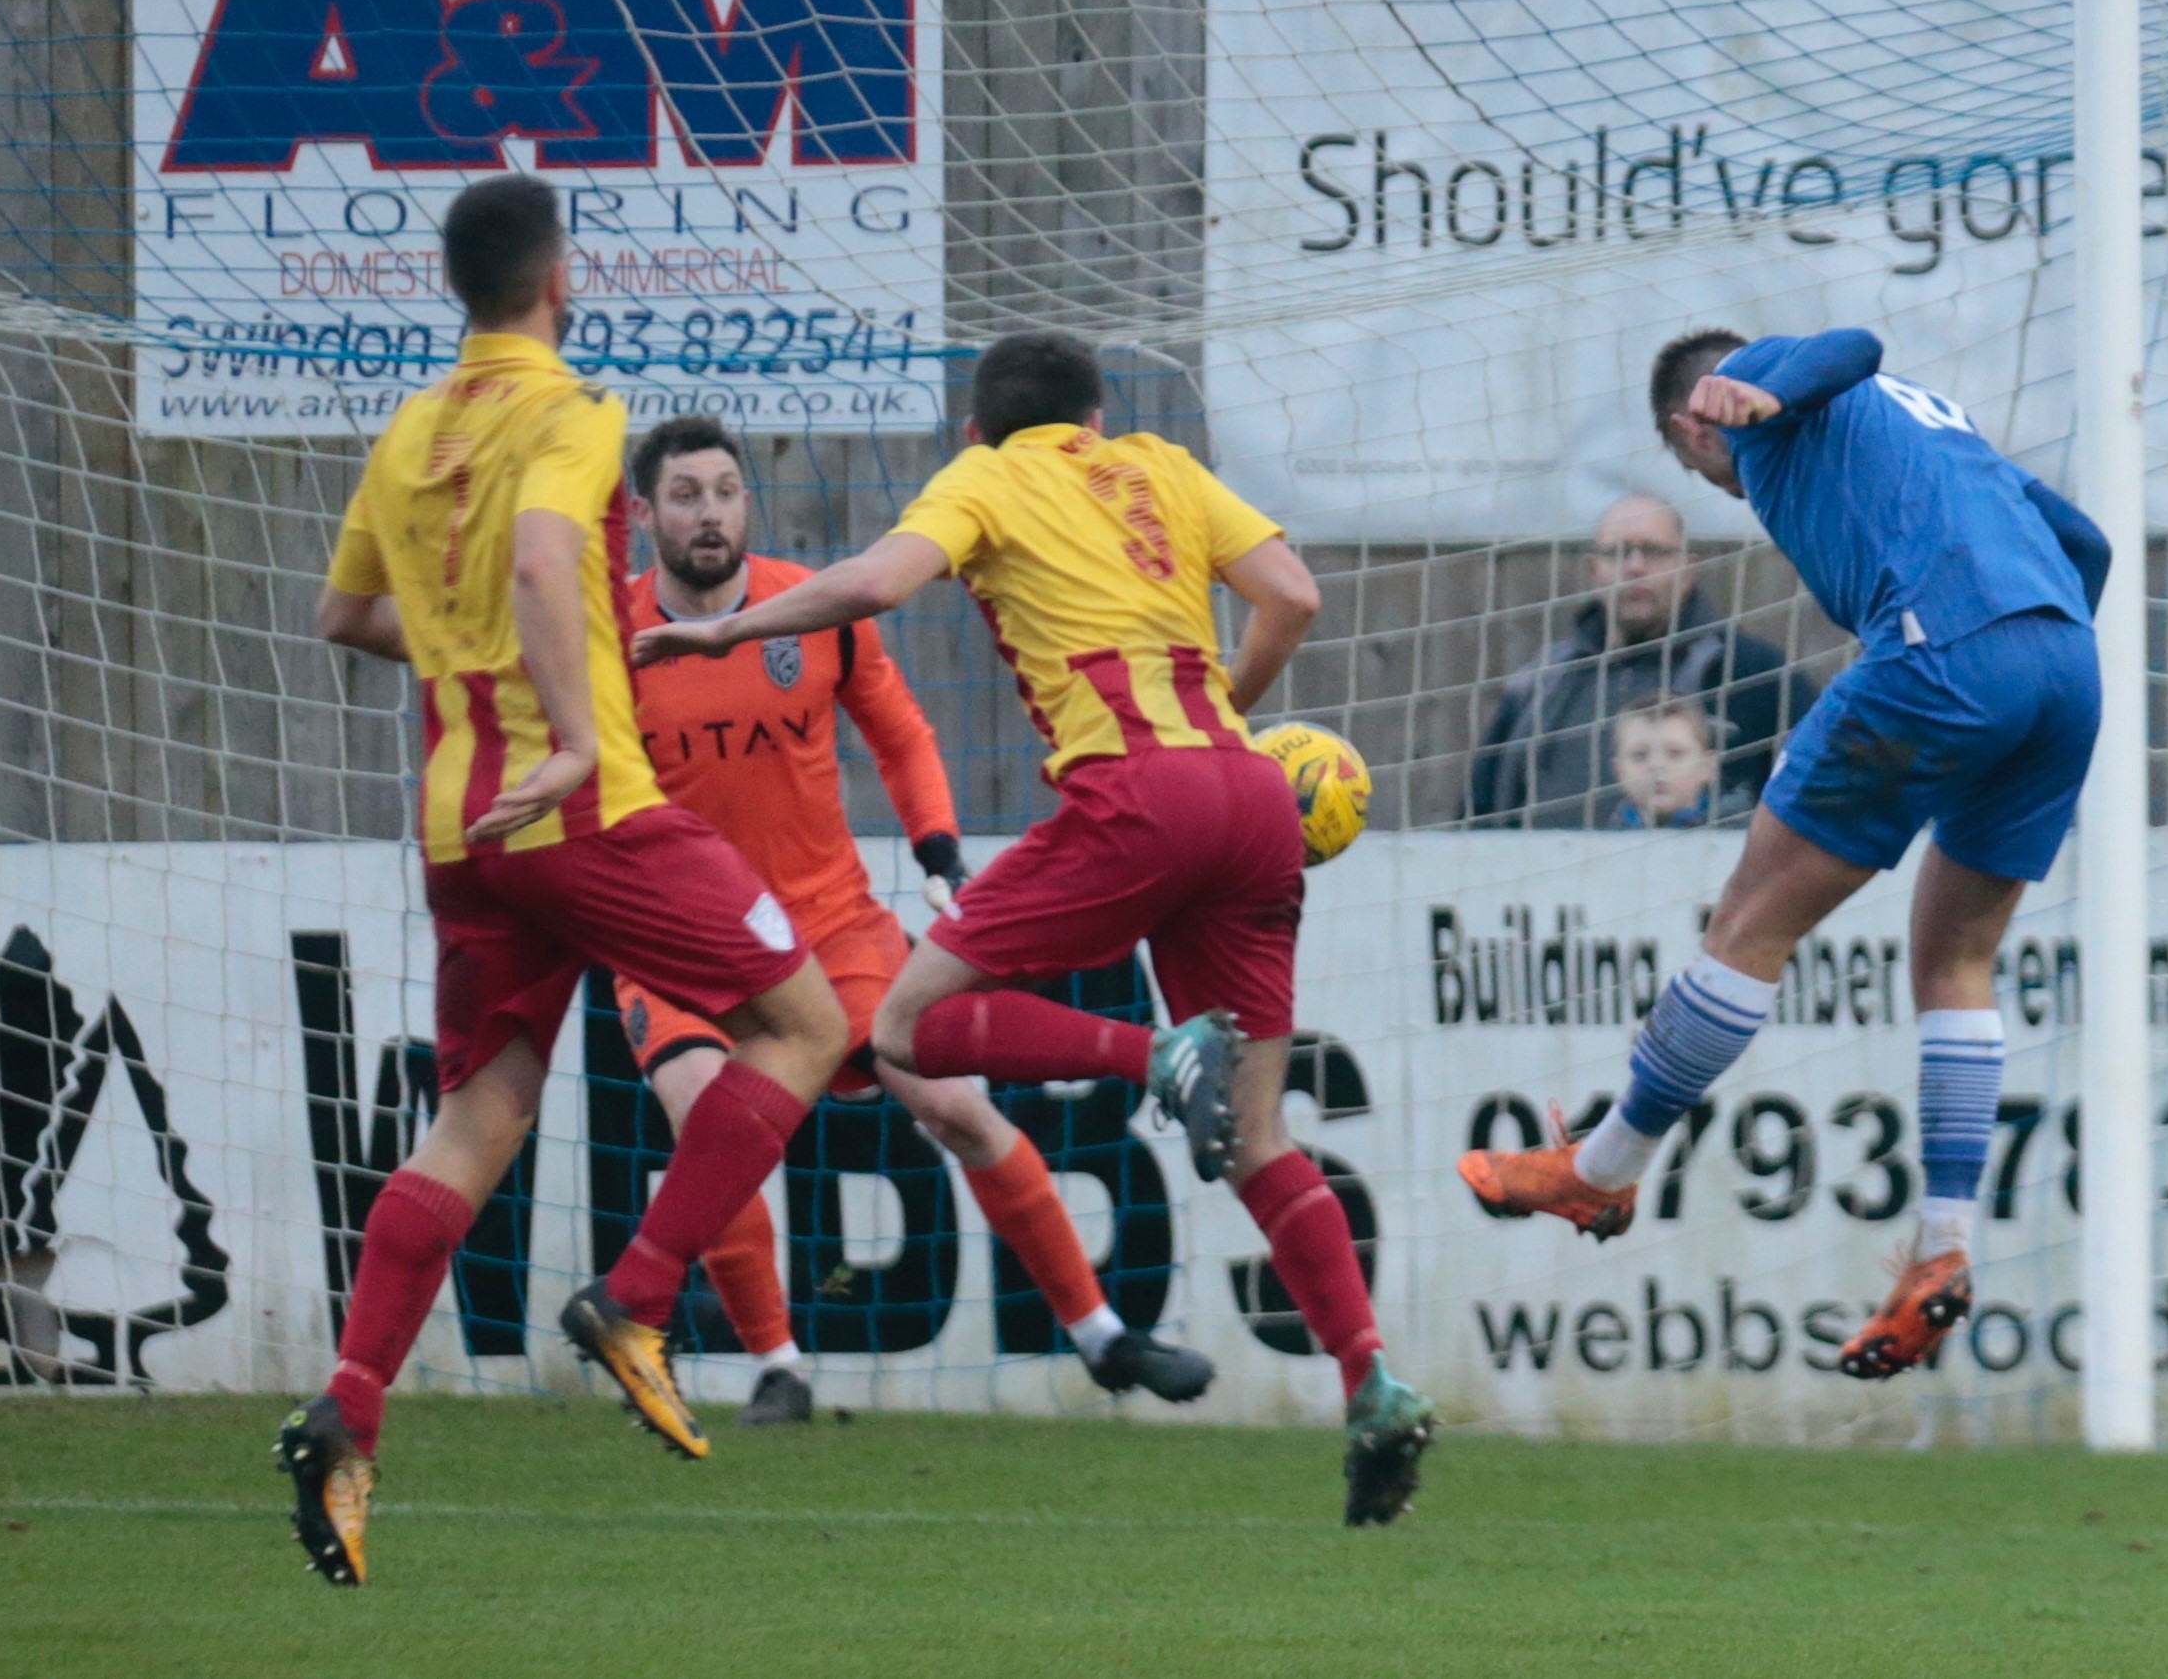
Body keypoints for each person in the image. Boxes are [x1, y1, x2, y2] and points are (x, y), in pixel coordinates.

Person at [636, 332, 1439, 1525]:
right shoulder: (1158, 464)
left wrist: (724, 632)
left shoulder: (986, 479)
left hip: (1134, 795)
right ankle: (1370, 1380)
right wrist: (1227, 719)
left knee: (909, 1028)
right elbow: (1295, 595)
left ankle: (1153, 1060)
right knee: (1260, 1137)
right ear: (1098, 419)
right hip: (1252, 797)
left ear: (974, 433)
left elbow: (872, 584)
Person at [285, 175, 851, 1587]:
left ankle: (350, 1410)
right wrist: (581, 729)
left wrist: (472, 652)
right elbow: (546, 556)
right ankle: (641, 1297)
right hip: (583, 804)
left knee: (478, 1115)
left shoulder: (412, 427)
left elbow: (345, 614)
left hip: (458, 827)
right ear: (561, 279)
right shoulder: (576, 411)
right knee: (809, 1024)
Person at [1459, 325, 2110, 1383]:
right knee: (1956, 961)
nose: (1721, 488)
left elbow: (1851, 341)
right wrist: (2025, 671)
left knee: (1749, 926)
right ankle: (1941, 1246)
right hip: (2062, 668)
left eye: (1694, 471)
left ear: (1690, 427)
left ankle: (1603, 1167)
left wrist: (1751, 395)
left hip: (1940, 651)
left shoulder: (1757, 396)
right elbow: (2087, 545)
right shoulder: (1930, 425)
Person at [617, 414, 1213, 1421]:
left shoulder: (812, 611)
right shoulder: (613, 637)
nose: (709, 511)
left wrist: (936, 845)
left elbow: (898, 733)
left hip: (830, 923)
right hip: (680, 940)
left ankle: (1102, 1336)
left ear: (746, 502)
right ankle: (779, 1366)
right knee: (707, 1124)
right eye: (686, 495)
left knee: (956, 1107)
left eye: (725, 490)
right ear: (644, 515)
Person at [1465, 492, 1810, 826]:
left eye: (1654, 551)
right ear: (1593, 569)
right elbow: (1478, 811)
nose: (1635, 566)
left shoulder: (1754, 675)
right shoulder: (1543, 682)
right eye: (1617, 552)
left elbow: (1815, 797)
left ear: (1688, 569)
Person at [1603, 694, 1742, 829]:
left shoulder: (1741, 836)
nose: (1656, 765)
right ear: (1619, 771)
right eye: (1640, 755)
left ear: (1707, 767)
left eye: (1675, 753)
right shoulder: (1599, 842)